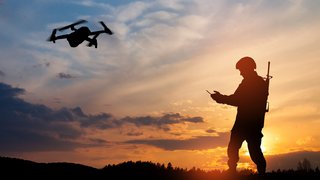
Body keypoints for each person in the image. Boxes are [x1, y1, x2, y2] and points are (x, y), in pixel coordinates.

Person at [210, 56, 267, 174]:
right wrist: (221, 98)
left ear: (248, 68)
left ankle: (234, 172)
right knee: (242, 149)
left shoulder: (252, 83)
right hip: (250, 124)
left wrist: (220, 98)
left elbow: (237, 100)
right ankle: (235, 171)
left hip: (247, 124)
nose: (240, 73)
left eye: (241, 70)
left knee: (250, 151)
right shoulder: (254, 82)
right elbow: (238, 99)